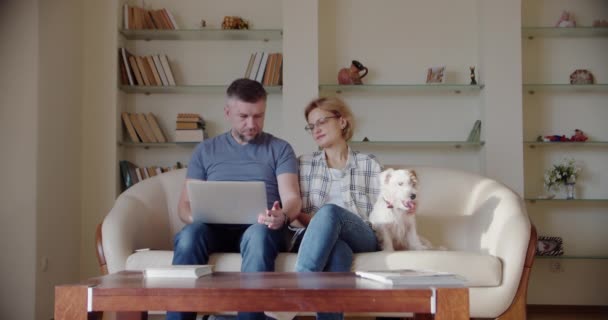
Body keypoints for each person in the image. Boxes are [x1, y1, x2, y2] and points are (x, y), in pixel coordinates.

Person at [166, 78, 301, 320]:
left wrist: (283, 215)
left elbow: (292, 198)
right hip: (213, 229)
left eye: (259, 116)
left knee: (258, 236)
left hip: (262, 228)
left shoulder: (279, 149)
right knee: (188, 236)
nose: (252, 124)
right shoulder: (205, 151)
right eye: (244, 116)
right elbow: (183, 207)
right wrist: (196, 214)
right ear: (228, 112)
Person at [292, 97, 416, 320]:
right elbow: (296, 210)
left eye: (322, 122)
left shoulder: (369, 164)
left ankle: (297, 289)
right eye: (311, 126)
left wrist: (403, 206)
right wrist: (322, 226)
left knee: (329, 212)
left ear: (342, 122)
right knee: (338, 251)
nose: (316, 130)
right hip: (317, 234)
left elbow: (385, 206)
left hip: (362, 233)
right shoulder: (303, 164)